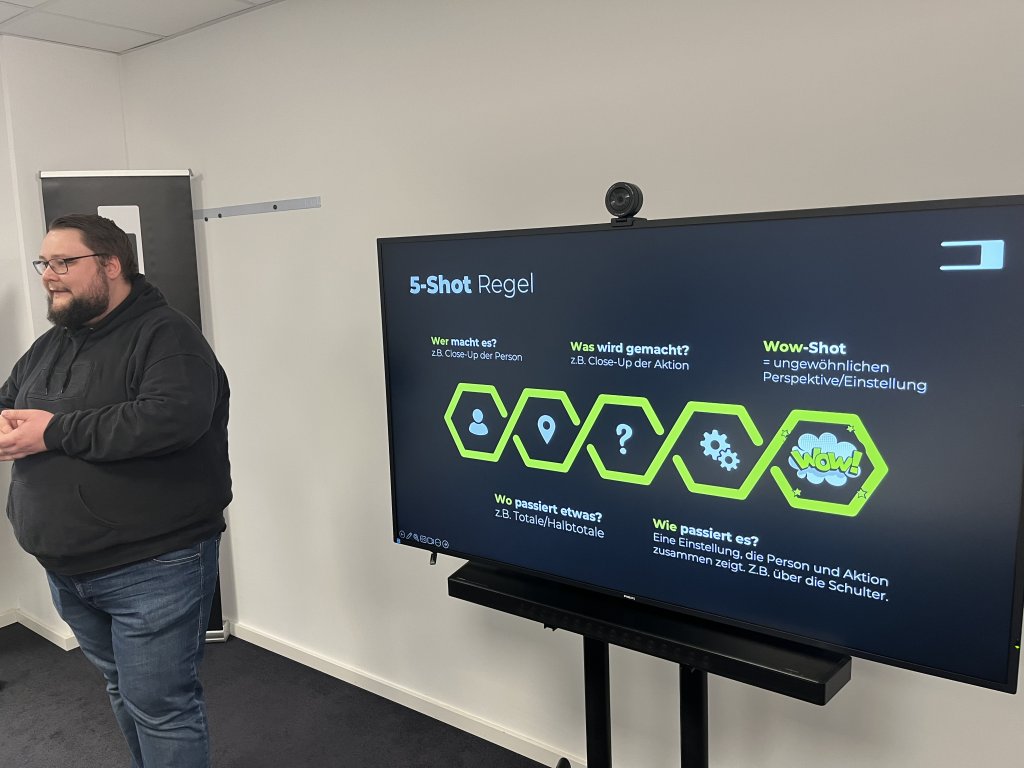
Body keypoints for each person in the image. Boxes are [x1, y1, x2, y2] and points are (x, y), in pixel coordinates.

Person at [0, 213, 231, 768]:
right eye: (44, 263)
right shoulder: (52, 344)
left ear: (111, 264)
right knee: (122, 690)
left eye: (64, 262)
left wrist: (53, 431)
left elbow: (172, 419)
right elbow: (10, 401)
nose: (48, 274)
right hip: (68, 566)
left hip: (153, 565)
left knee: (161, 707)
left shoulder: (168, 335)